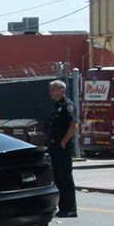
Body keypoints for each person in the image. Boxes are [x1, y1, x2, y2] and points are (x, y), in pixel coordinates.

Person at [47, 79, 78, 218]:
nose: (51, 92)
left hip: (62, 147)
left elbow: (73, 125)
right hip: (54, 146)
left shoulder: (67, 105)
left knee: (65, 177)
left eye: (53, 89)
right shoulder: (57, 105)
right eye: (51, 89)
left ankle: (70, 208)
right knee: (58, 177)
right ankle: (62, 208)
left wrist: (64, 142)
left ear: (62, 90)